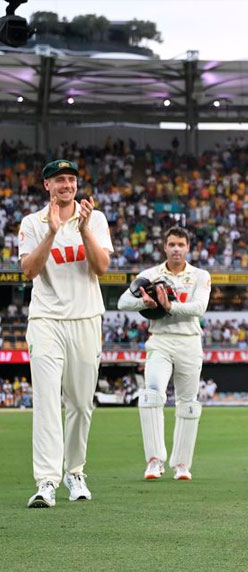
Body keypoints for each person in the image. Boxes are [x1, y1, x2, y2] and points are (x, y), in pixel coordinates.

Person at [19, 159, 113, 508]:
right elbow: (28, 271)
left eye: (71, 180)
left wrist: (85, 228)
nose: (66, 186)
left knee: (80, 403)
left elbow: (101, 267)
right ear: (47, 186)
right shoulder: (32, 223)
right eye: (59, 180)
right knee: (46, 401)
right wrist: (52, 231)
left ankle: (75, 472)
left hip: (86, 318)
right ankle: (46, 481)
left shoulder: (96, 219)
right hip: (45, 320)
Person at [118, 226, 211, 481]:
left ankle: (181, 465)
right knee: (151, 395)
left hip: (190, 342)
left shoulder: (200, 275)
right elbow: (122, 302)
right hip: (160, 340)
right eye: (172, 244)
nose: (176, 249)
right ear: (165, 247)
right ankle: (154, 460)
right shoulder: (150, 274)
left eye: (181, 244)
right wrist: (144, 302)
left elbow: (199, 308)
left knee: (188, 404)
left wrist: (170, 306)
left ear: (188, 247)